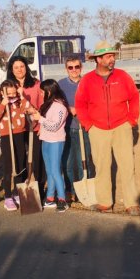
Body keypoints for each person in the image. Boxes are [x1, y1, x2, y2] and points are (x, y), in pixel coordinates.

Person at [75, 40, 140, 216]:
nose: (112, 59)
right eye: (108, 56)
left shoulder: (123, 76)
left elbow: (134, 97)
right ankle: (105, 201)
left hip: (122, 126)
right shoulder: (87, 80)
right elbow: (80, 104)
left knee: (127, 165)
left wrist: (131, 119)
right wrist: (88, 125)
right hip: (97, 128)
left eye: (113, 56)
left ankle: (132, 203)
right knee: (102, 166)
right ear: (98, 59)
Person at [6, 56, 45, 196]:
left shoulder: (36, 84)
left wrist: (39, 122)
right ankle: (20, 192)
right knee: (19, 159)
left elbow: (43, 105)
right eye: (15, 67)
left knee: (37, 160)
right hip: (17, 130)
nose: (19, 70)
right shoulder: (8, 86)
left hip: (34, 127)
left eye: (21, 66)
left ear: (26, 68)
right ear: (11, 69)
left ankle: (39, 189)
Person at [0, 80, 32, 211]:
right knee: (9, 166)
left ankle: (18, 192)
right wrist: (3, 104)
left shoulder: (19, 101)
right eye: (9, 94)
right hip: (6, 136)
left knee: (20, 165)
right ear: (3, 93)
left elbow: (28, 108)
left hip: (19, 135)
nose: (12, 95)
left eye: (14, 92)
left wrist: (21, 95)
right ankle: (8, 196)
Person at [58, 56, 93, 203]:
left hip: (84, 128)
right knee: (67, 162)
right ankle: (70, 190)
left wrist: (80, 109)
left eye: (76, 67)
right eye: (70, 67)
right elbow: (56, 103)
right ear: (66, 69)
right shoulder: (60, 85)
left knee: (83, 160)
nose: (74, 70)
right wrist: (68, 108)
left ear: (81, 68)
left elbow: (95, 102)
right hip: (66, 128)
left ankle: (86, 191)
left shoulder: (88, 83)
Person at [36, 79, 70, 212]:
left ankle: (62, 198)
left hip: (56, 141)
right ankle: (50, 197)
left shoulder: (60, 106)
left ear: (49, 91)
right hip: (46, 140)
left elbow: (55, 126)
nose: (40, 93)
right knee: (49, 170)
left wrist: (40, 119)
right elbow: (46, 123)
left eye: (41, 91)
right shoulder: (48, 104)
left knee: (55, 170)